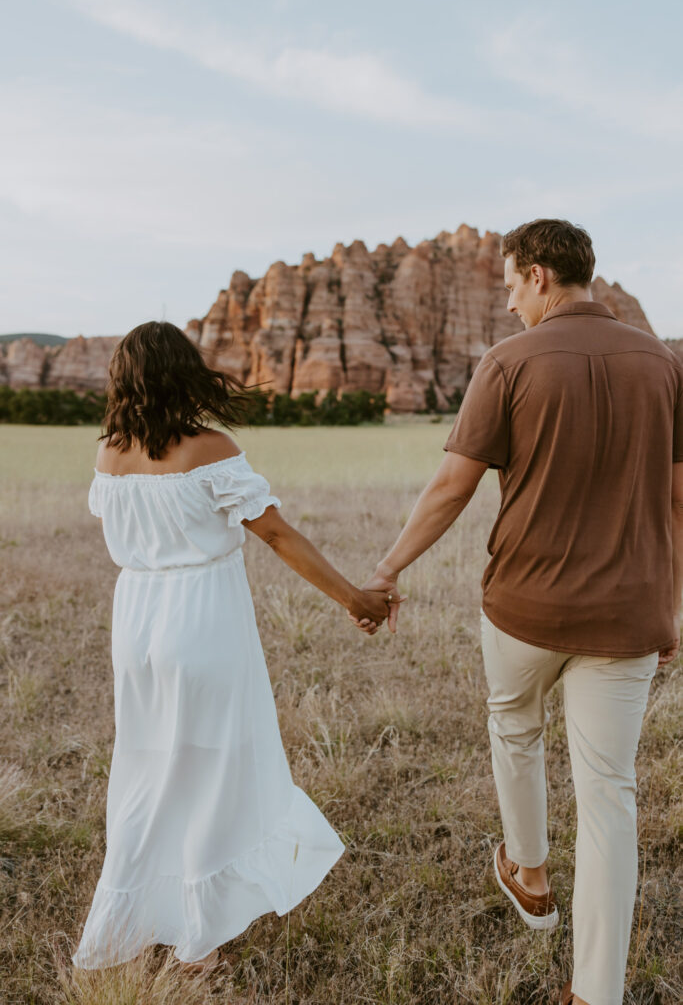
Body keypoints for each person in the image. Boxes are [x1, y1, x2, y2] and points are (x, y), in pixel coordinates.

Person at [352, 219, 683, 1005]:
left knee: (514, 726)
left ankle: (528, 873)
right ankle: (595, 991)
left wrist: (388, 569)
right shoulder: (662, 363)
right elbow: (677, 500)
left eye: (508, 286)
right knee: (609, 791)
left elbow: (450, 487)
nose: (506, 305)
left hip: (524, 607)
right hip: (629, 615)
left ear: (537, 275)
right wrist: (668, 607)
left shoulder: (507, 363)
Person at [72, 321, 390, 973]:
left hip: (135, 624)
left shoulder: (108, 454)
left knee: (147, 765)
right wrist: (354, 598)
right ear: (183, 373)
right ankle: (200, 938)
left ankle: (138, 915)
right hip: (201, 617)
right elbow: (273, 535)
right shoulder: (209, 448)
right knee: (212, 771)